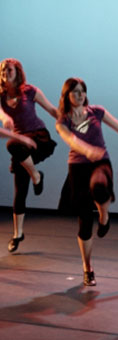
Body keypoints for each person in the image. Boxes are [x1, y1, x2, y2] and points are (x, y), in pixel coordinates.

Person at [56, 77, 118, 287]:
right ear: (67, 95)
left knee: (99, 186)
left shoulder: (96, 112)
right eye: (75, 91)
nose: (80, 95)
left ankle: (104, 216)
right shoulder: (63, 120)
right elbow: (70, 140)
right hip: (78, 168)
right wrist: (86, 150)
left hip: (101, 163)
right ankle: (88, 268)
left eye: (82, 91)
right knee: (84, 223)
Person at [0, 58, 58, 253]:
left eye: (9, 70)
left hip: (38, 138)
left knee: (11, 144)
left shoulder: (30, 91)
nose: (5, 73)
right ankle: (18, 234)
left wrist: (69, 124)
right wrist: (5, 118)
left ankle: (36, 175)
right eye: (2, 70)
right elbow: (1, 114)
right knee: (20, 189)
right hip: (20, 143)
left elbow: (52, 110)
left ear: (17, 72)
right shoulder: (0, 96)